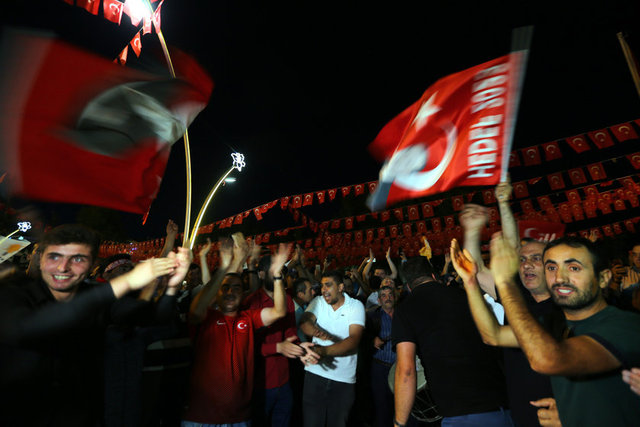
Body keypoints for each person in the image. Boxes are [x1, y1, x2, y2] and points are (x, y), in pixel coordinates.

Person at [0, 223, 190, 426]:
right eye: (54, 257)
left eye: (78, 259)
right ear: (40, 259)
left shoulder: (95, 296)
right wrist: (126, 282)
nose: (63, 267)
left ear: (92, 264)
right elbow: (27, 328)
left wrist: (172, 287)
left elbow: (152, 318)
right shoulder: (13, 293)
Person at [489, 233, 640, 426]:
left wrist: (505, 282)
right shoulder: (556, 323)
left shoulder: (625, 325)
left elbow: (547, 360)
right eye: (552, 268)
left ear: (603, 278)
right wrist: (571, 415)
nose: (559, 278)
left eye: (574, 268)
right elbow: (494, 335)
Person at [182, 240, 294, 426]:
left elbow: (279, 311)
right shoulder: (206, 318)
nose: (230, 292)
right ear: (217, 293)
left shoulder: (248, 318)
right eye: (225, 288)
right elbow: (195, 310)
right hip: (201, 417)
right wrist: (225, 267)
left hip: (239, 418)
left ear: (243, 295)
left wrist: (276, 276)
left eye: (236, 288)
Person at [392, 256, 510, 427]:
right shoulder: (464, 296)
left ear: (408, 287)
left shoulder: (405, 310)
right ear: (434, 276)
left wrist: (399, 423)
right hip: (501, 402)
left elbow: (407, 371)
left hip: (461, 413)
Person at [244, 251, 305, 427]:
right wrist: (277, 347)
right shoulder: (250, 303)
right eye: (274, 271)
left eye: (281, 271)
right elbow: (245, 347)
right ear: (261, 274)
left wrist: (302, 349)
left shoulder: (287, 299)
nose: (279, 275)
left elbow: (291, 333)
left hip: (284, 380)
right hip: (260, 384)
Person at [299, 270, 366, 427]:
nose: (323, 289)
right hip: (315, 375)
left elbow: (354, 340)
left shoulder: (355, 306)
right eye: (322, 285)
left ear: (341, 287)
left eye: (328, 285)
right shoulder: (318, 301)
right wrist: (317, 332)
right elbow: (305, 322)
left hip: (343, 380)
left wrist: (322, 351)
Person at [365, 285, 398, 427]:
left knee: (401, 406)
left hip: (400, 368)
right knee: (382, 406)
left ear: (395, 297)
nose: (387, 298)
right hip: (380, 368)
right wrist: (372, 339)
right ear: (379, 300)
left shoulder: (402, 315)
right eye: (383, 296)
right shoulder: (372, 316)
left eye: (390, 295)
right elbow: (362, 336)